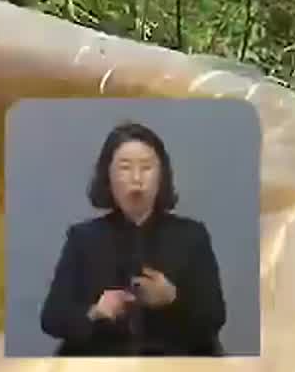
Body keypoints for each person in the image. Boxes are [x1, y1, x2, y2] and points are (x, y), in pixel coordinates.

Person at [39, 120, 226, 356]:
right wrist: (96, 311)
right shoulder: (83, 238)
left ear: (162, 176)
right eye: (125, 167)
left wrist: (173, 299)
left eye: (147, 167)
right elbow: (51, 318)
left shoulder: (192, 236)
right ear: (108, 176)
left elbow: (215, 318)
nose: (136, 178)